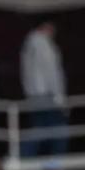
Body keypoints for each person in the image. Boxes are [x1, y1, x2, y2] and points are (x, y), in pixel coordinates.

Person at [22, 22, 67, 157]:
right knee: (59, 130)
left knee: (40, 129)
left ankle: (24, 154)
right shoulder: (43, 44)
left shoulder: (28, 44)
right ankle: (56, 160)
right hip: (47, 95)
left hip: (34, 95)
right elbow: (52, 73)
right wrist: (60, 98)